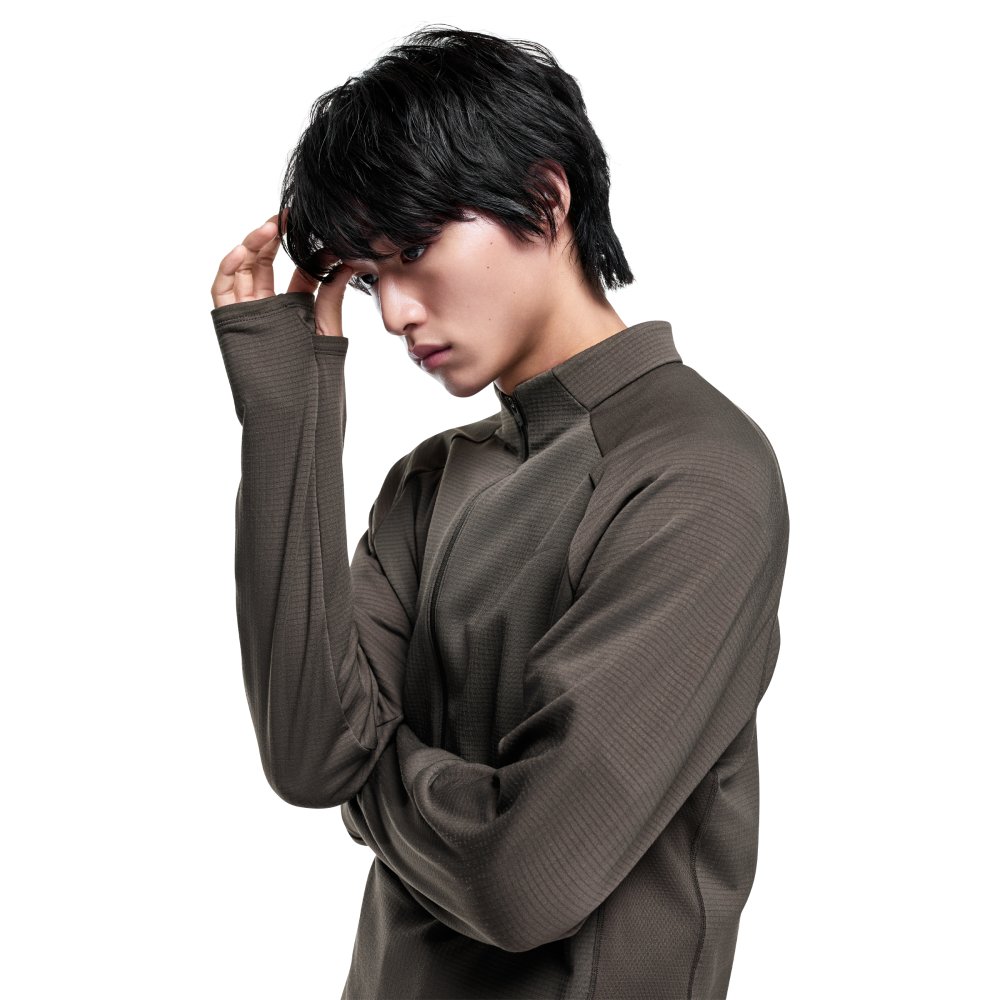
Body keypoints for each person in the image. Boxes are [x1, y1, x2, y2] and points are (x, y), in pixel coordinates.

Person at [209, 24, 789, 1000]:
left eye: (414, 250)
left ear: (547, 199)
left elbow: (524, 880)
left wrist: (372, 767)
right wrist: (288, 410)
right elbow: (309, 757)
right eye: (368, 275)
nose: (392, 312)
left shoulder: (697, 474)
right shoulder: (431, 480)